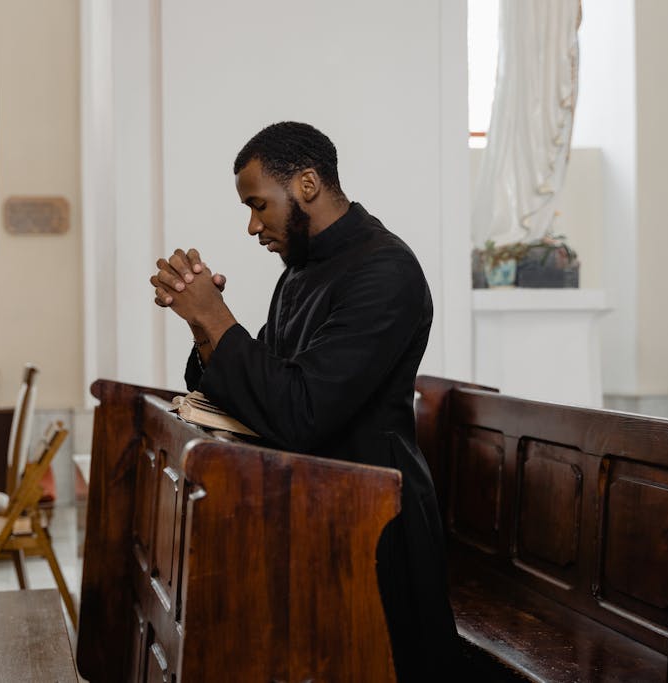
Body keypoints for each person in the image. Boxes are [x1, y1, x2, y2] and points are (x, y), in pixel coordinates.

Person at [150, 121, 457, 681]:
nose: (252, 225)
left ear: (308, 184)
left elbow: (301, 413)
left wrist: (216, 317)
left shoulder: (384, 270)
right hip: (314, 507)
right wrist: (204, 329)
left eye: (258, 204)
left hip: (375, 520)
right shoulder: (300, 273)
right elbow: (265, 389)